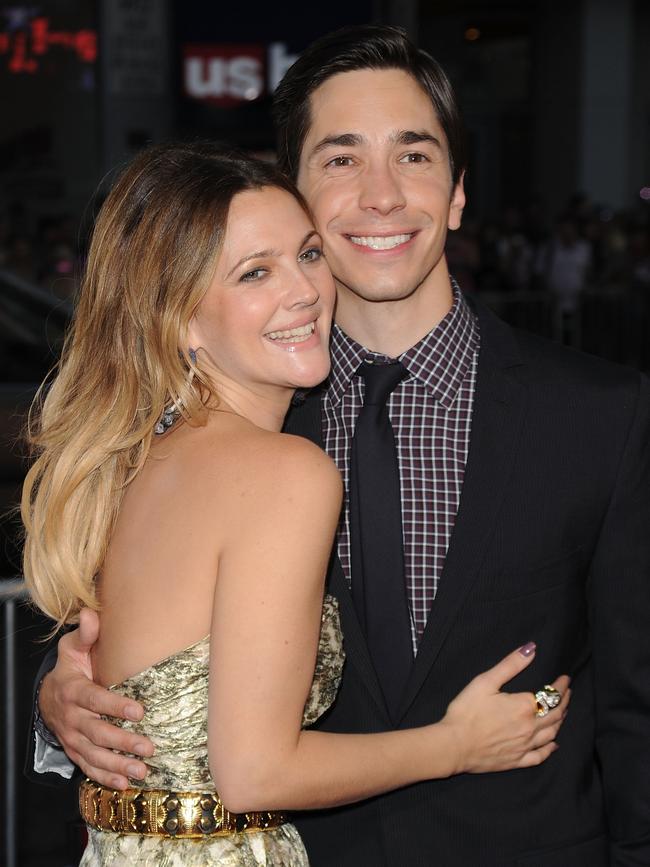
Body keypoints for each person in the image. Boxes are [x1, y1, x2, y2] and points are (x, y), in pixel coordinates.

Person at [27, 24, 650, 865]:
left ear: (460, 192)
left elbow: (635, 704)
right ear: (295, 195)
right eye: (342, 157)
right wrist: (60, 702)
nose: (383, 194)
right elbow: (130, 647)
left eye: (415, 155)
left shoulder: (600, 413)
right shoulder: (231, 418)